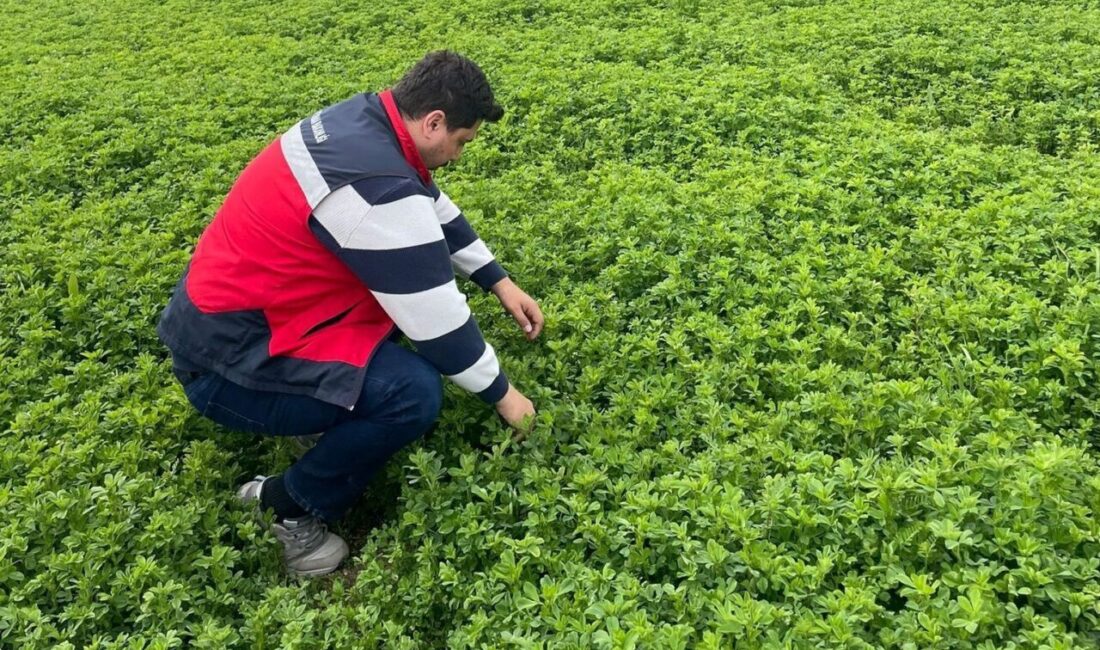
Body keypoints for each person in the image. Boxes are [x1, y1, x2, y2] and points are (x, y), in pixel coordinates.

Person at [157, 51, 542, 577]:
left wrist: (497, 279)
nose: (458, 155)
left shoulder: (362, 122)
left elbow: (427, 200)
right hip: (226, 367)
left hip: (227, 323)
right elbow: (438, 324)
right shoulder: (375, 188)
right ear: (433, 122)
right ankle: (285, 507)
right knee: (413, 393)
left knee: (386, 339)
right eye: (461, 141)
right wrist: (505, 396)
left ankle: (320, 418)